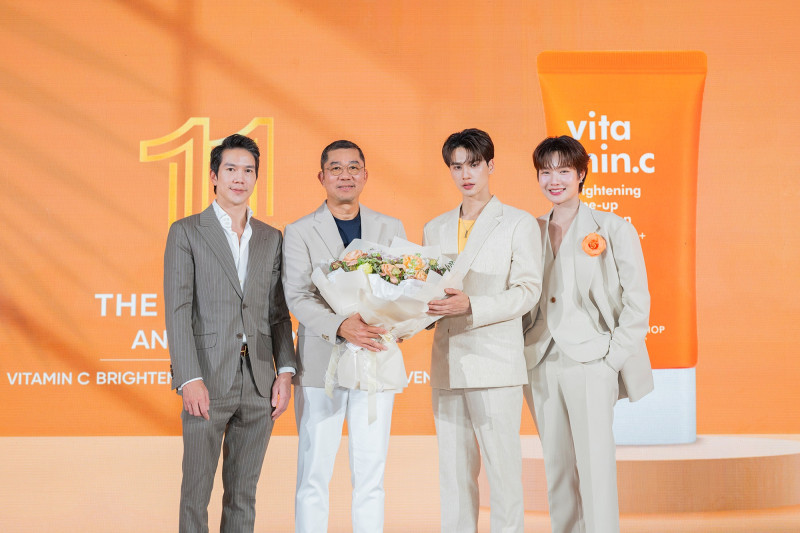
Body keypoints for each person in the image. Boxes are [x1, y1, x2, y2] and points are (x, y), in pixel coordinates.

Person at [164, 133, 296, 533]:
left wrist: (285, 372)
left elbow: (277, 313)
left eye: (248, 170)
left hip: (259, 383)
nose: (240, 178)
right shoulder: (187, 231)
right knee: (196, 493)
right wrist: (189, 377)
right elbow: (178, 310)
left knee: (243, 495)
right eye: (231, 169)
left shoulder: (270, 238)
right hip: (206, 379)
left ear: (256, 177)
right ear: (214, 176)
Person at [524, 135, 654, 533]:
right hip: (540, 360)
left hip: (593, 360)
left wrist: (611, 359)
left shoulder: (612, 228)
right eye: (546, 172)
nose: (554, 181)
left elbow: (638, 301)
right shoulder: (529, 230)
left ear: (581, 174)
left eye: (564, 171)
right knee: (557, 467)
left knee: (596, 467)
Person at [282, 140, 406, 533]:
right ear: (321, 177)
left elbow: (405, 290)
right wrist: (340, 325)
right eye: (335, 168)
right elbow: (297, 295)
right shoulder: (299, 231)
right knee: (313, 472)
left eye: (353, 167)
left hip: (375, 358)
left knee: (371, 473)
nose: (345, 175)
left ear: (365, 175)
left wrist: (398, 322)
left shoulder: (391, 227)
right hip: (322, 363)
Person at [424, 128, 542, 532]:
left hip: (495, 363)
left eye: (473, 164)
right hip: (447, 364)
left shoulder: (518, 223)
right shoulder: (435, 227)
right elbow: (426, 292)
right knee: (454, 475)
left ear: (490, 165)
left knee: (503, 474)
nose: (465, 174)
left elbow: (528, 291)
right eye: (457, 166)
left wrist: (472, 304)